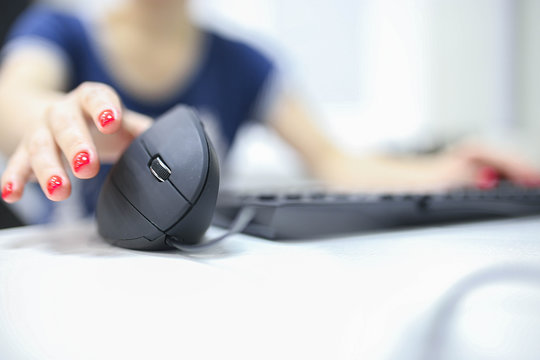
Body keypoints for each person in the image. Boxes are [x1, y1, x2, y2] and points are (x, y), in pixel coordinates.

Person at [1, 0, 539, 220]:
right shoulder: (59, 29)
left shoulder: (245, 64)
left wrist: (456, 169)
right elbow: (12, 97)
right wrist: (47, 116)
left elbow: (334, 162)